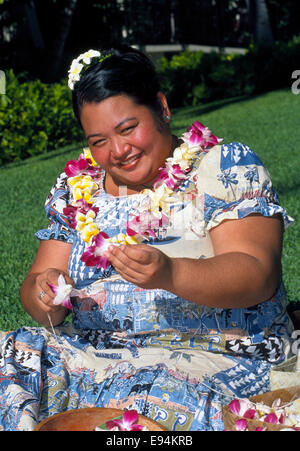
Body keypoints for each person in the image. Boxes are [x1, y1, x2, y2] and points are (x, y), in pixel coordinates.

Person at [1, 46, 295, 431]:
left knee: (145, 405)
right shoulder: (77, 189)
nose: (118, 151)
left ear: (162, 107)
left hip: (210, 354)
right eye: (98, 141)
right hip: (93, 351)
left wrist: (169, 273)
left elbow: (257, 274)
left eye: (127, 129)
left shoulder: (223, 168)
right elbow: (39, 280)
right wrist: (44, 295)